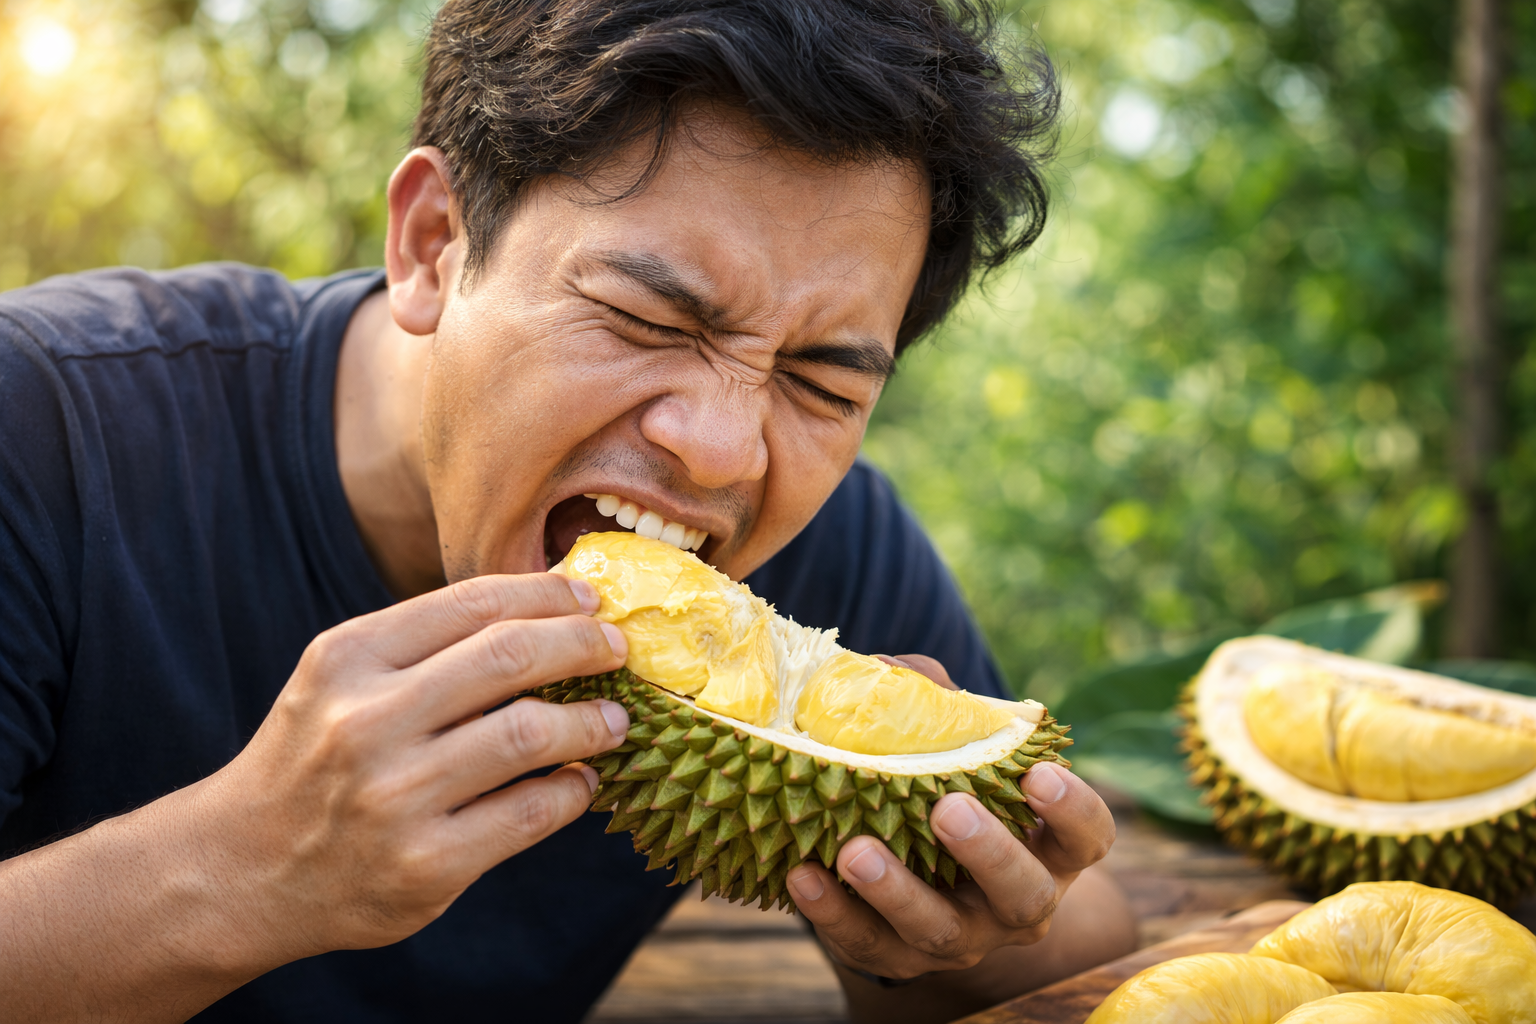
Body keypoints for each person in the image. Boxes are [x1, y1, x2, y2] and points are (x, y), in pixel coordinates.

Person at [0, 1, 1136, 1021]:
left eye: (823, 385)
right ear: (433, 246)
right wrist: (234, 867)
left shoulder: (831, 551)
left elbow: (1078, 952)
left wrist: (941, 934)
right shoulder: (43, 425)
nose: (724, 448)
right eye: (647, 319)